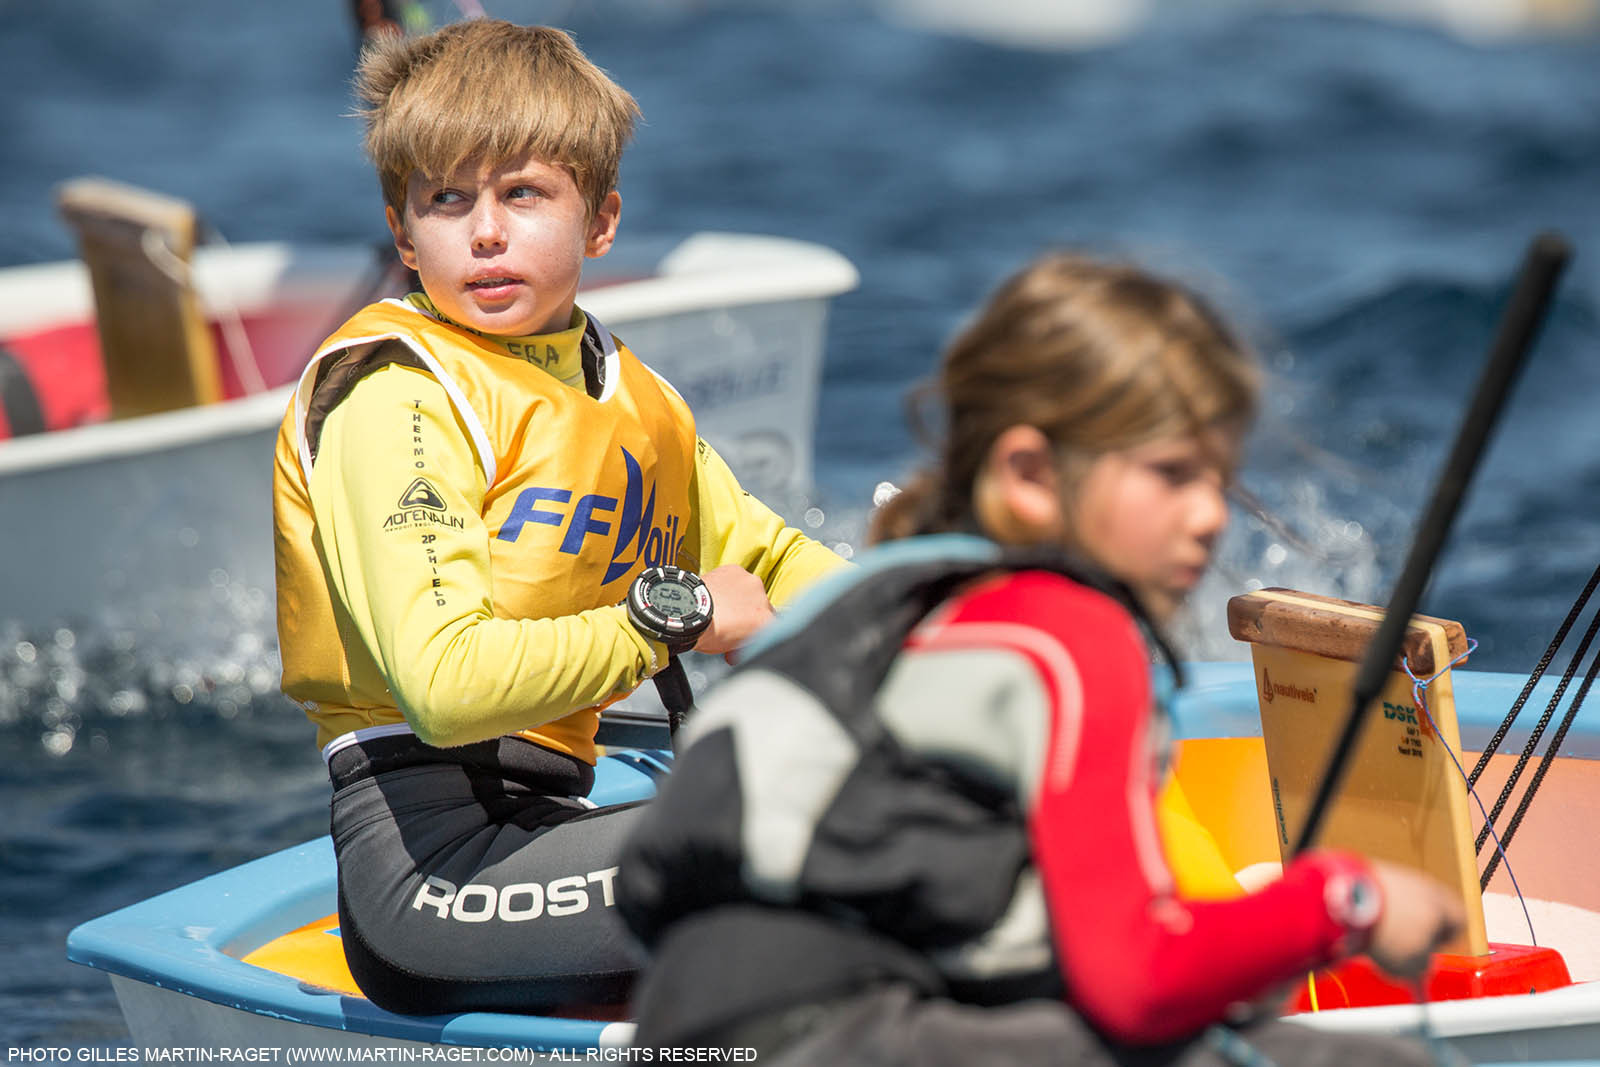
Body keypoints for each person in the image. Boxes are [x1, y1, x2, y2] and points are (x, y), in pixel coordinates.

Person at [616, 252, 1465, 1063]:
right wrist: (1345, 900)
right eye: (1173, 473)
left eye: (1221, 479)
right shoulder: (1068, 633)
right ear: (1028, 472)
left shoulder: (874, 597)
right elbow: (1138, 978)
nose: (1211, 514)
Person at [271, 19, 845, 1016]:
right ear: (404, 234)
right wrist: (666, 617)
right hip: (435, 876)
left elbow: (771, 556)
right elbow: (445, 685)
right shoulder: (396, 399)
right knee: (843, 846)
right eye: (447, 199)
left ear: (601, 219)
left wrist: (945, 615)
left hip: (551, 826)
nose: (484, 231)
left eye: (522, 194)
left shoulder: (628, 395)